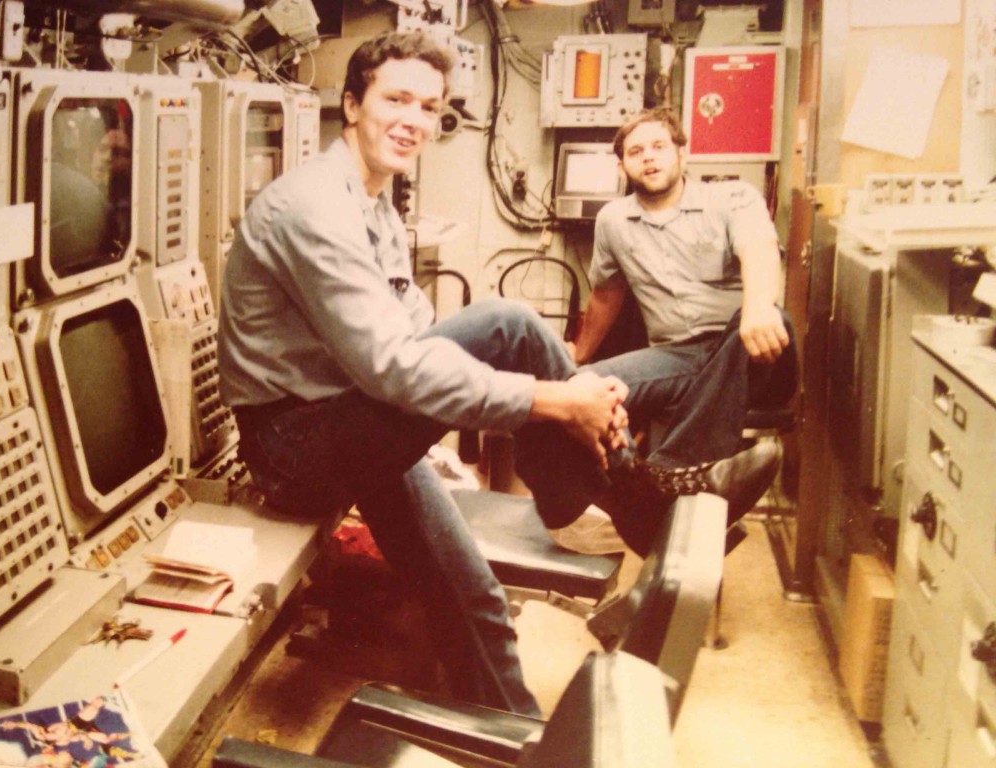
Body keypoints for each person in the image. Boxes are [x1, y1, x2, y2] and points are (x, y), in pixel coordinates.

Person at [217, 31, 667, 718]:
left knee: (472, 592)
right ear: (351, 105)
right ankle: (630, 499)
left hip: (355, 418)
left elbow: (415, 331)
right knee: (508, 325)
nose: (414, 121)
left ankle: (516, 742)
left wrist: (555, 403)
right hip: (297, 449)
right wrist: (556, 401)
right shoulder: (310, 207)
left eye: (428, 107)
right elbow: (394, 365)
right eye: (396, 99)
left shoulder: (376, 201)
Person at [572, 106, 799, 531]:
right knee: (581, 391)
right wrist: (581, 356)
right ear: (622, 166)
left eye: (659, 146)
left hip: (755, 350)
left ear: (682, 154)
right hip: (677, 357)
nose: (649, 157)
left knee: (764, 322)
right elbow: (606, 295)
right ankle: (637, 497)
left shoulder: (732, 197)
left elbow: (759, 248)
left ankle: (668, 470)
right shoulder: (613, 222)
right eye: (636, 151)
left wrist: (756, 309)